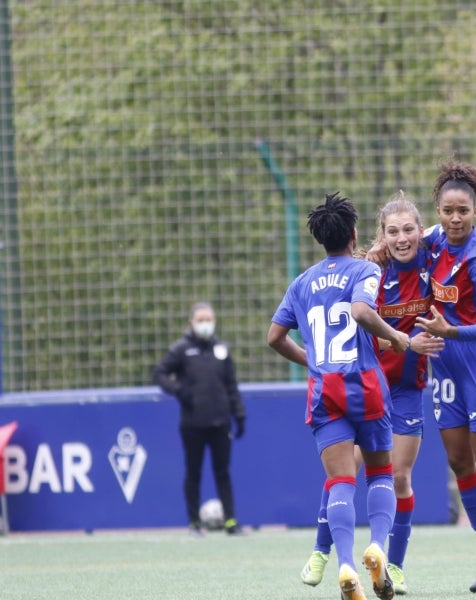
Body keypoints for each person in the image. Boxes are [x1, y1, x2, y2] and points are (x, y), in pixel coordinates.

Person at [267, 192, 410, 600]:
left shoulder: (302, 282)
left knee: (341, 480)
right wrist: (396, 336)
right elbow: (363, 312)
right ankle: (377, 547)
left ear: (320, 239)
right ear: (353, 233)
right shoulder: (364, 270)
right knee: (381, 473)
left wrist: (311, 359)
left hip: (325, 389)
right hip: (364, 383)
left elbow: (274, 337)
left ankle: (346, 563)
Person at [299, 192, 444, 596]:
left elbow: (450, 233)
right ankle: (320, 550)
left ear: (420, 232)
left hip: (407, 389)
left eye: (409, 230)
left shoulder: (431, 262)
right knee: (345, 472)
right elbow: (360, 334)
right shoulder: (368, 272)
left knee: (399, 476)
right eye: (393, 231)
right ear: (379, 236)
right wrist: (403, 341)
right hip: (368, 386)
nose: (402, 238)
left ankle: (391, 567)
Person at [413, 160, 476, 594]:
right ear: (437, 209)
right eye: (448, 210)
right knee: (458, 460)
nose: (455, 218)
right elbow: (401, 248)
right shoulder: (431, 242)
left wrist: (449, 330)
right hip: (446, 365)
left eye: (464, 211)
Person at [152, 302, 246, 536]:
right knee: (193, 472)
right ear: (191, 323)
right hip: (192, 423)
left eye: (209, 319)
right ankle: (194, 523)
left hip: (220, 422)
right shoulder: (181, 349)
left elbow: (231, 385)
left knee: (223, 472)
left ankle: (231, 522)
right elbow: (159, 373)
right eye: (201, 319)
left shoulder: (222, 349)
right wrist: (180, 390)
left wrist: (239, 414)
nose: (206, 323)